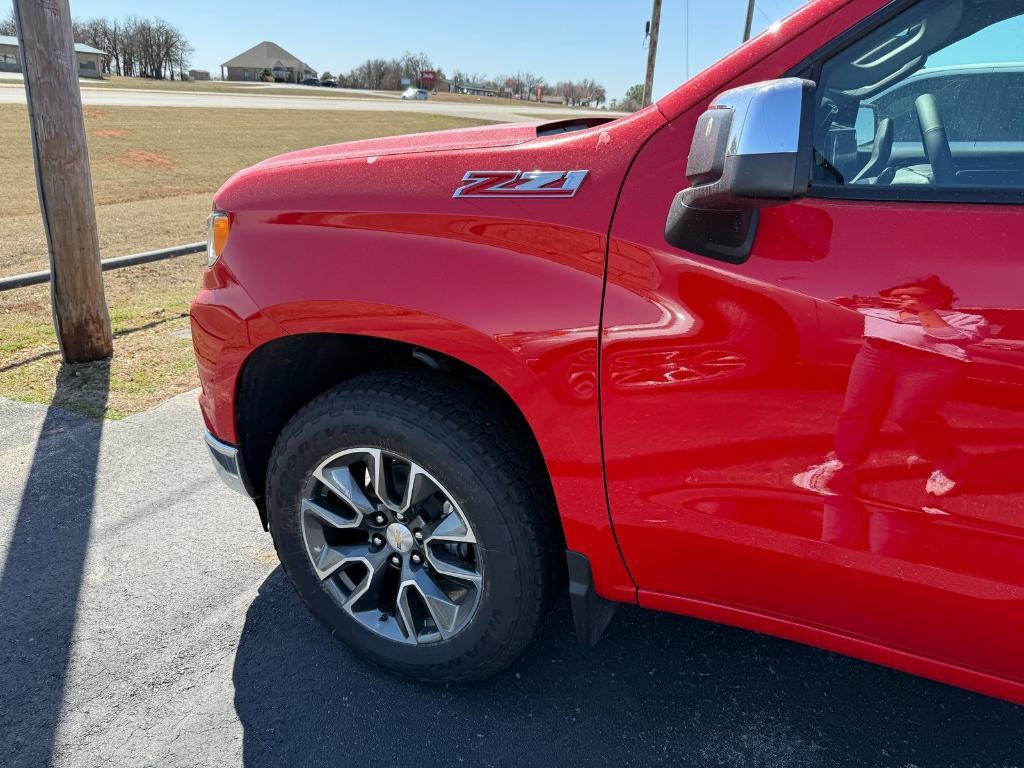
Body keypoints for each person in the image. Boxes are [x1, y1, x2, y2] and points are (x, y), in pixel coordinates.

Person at [794, 276, 988, 497]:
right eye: (900, 296)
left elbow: (949, 335)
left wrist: (924, 311)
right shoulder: (877, 310)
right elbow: (834, 306)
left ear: (940, 298)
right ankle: (843, 462)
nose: (907, 300)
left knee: (910, 414)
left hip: (931, 363)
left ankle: (948, 458)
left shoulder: (964, 318)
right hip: (874, 355)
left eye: (917, 296)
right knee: (857, 411)